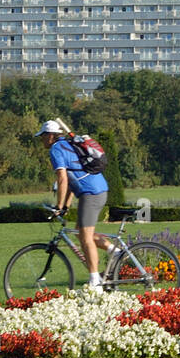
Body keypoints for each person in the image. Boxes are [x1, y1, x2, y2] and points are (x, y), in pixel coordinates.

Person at [36, 119, 112, 290]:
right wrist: (65, 206)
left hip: (91, 193)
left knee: (85, 237)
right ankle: (114, 251)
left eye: (43, 136)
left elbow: (62, 178)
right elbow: (72, 180)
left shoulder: (56, 149)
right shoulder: (68, 144)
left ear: (50, 136)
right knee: (80, 232)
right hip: (97, 189)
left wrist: (58, 206)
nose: (41, 140)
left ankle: (95, 282)